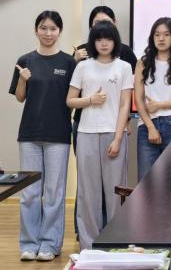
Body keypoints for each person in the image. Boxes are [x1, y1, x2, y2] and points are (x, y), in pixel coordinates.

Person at [9, 10, 76, 262]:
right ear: (36, 30)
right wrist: (23, 79)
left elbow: (73, 98)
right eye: (43, 28)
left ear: (60, 31)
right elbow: (20, 97)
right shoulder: (25, 60)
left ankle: (50, 244)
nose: (48, 33)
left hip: (58, 134)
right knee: (29, 192)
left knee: (54, 192)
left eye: (53, 29)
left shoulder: (69, 62)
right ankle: (29, 244)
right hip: (29, 134)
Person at [66, 21, 133, 251]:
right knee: (88, 194)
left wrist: (118, 138)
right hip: (86, 133)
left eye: (108, 38)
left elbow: (125, 105)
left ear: (115, 41)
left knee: (115, 193)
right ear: (92, 42)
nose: (104, 43)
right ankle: (89, 247)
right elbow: (70, 100)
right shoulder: (83, 67)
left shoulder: (124, 67)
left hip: (114, 134)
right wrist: (90, 100)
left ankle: (116, 244)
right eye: (99, 39)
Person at [135, 17, 171, 181]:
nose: (161, 38)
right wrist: (151, 127)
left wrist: (160, 105)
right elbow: (138, 99)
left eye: (166, 34)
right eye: (157, 34)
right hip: (146, 126)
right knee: (146, 181)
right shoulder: (143, 63)